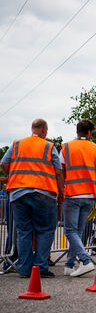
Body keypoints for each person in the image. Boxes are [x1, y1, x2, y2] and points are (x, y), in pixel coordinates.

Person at [0, 119, 64, 278]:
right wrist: (61, 192)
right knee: (45, 230)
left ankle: (24, 269)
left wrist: (15, 174)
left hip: (18, 193)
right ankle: (40, 268)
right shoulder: (49, 146)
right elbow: (58, 171)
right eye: (46, 130)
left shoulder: (16, 144)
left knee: (23, 231)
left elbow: (3, 163)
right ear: (43, 130)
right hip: (44, 193)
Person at [60, 119, 96, 277]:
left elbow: (61, 171)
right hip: (89, 194)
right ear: (88, 133)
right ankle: (68, 265)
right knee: (78, 232)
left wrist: (60, 191)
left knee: (70, 231)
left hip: (72, 193)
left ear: (77, 131)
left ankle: (85, 261)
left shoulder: (66, 147)